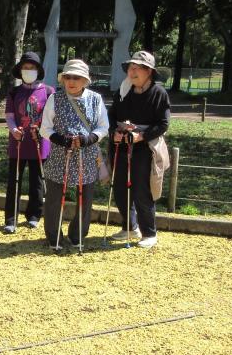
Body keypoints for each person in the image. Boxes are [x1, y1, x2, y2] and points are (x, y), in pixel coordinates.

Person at [40, 59, 108, 251]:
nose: (71, 81)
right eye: (68, 77)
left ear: (85, 80)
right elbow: (45, 128)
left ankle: (78, 234)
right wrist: (61, 139)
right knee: (54, 198)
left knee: (84, 199)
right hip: (59, 153)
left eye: (76, 77)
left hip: (86, 155)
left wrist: (89, 139)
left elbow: (104, 126)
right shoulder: (55, 98)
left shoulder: (96, 99)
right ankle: (53, 236)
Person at [108, 50, 171, 248]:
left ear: (149, 72)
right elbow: (111, 116)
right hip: (120, 146)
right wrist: (114, 134)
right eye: (130, 67)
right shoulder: (123, 90)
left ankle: (149, 232)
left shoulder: (159, 93)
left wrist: (141, 135)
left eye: (137, 68)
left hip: (145, 148)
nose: (132, 71)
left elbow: (163, 124)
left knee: (142, 190)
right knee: (119, 187)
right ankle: (129, 227)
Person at [3, 52, 54, 233]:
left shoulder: (48, 92)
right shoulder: (14, 91)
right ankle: (10, 218)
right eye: (25, 67)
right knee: (13, 181)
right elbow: (9, 115)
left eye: (32, 68)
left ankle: (34, 215)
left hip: (40, 143)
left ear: (38, 70)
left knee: (37, 181)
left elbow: (51, 117)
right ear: (20, 70)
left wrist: (42, 129)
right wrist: (13, 129)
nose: (29, 70)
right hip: (18, 142)